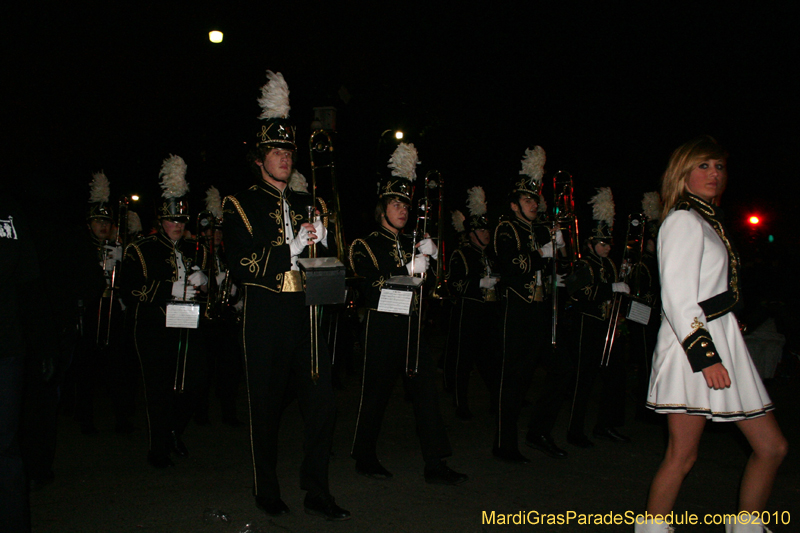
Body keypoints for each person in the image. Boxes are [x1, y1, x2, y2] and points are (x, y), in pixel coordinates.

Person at [635, 136, 787, 533]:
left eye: (718, 166)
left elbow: (706, 293)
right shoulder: (683, 220)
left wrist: (725, 320)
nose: (714, 174)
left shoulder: (706, 221)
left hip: (718, 341)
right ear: (681, 174)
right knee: (682, 456)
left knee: (771, 448)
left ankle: (746, 527)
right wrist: (706, 355)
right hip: (694, 351)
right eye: (703, 166)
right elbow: (678, 298)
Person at [221, 71, 349, 521]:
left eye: (287, 151)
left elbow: (327, 262)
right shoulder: (239, 203)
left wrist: (324, 240)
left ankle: (317, 487)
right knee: (266, 407)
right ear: (260, 159)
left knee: (323, 405)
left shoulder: (307, 202)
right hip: (267, 315)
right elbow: (240, 263)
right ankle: (266, 488)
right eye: (275, 151)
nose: (284, 157)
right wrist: (288, 250)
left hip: (307, 315)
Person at [349, 142, 468, 485]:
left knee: (427, 396)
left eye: (405, 204)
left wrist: (430, 265)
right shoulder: (365, 244)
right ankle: (365, 455)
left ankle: (435, 463)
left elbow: (429, 292)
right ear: (382, 207)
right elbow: (372, 289)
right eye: (395, 203)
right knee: (376, 394)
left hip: (413, 326)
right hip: (383, 326)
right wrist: (408, 266)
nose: (402, 209)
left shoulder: (413, 242)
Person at [120, 154, 210, 469]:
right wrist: (167, 289)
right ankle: (158, 448)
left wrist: (204, 281)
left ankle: (173, 432)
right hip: (153, 328)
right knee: (158, 391)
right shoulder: (139, 249)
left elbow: (204, 286)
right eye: (172, 220)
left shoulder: (191, 249)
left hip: (187, 326)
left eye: (182, 221)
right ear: (161, 220)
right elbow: (129, 289)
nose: (177, 225)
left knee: (192, 385)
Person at [491, 146, 571, 462]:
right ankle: (504, 444)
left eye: (535, 199)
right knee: (515, 381)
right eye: (527, 200)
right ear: (514, 205)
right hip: (517, 311)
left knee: (564, 371)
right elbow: (510, 267)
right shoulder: (505, 228)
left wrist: (561, 247)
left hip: (542, 312)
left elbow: (561, 272)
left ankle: (539, 431)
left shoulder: (541, 230)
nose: (534, 204)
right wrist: (541, 255)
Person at [565, 187, 631, 448]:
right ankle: (574, 429)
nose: (606, 247)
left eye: (608, 243)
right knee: (583, 380)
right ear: (591, 243)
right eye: (602, 243)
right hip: (586, 325)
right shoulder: (584, 264)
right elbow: (578, 291)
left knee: (615, 378)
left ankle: (606, 425)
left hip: (608, 326)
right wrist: (609, 289)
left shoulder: (611, 264)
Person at [446, 187, 501, 420]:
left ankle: (496, 401)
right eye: (480, 229)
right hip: (468, 314)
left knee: (491, 361)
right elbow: (453, 284)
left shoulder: (491, 255)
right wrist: (479, 283)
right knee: (464, 362)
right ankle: (461, 404)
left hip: (489, 314)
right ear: (471, 234)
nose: (485, 233)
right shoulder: (461, 254)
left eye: (486, 228)